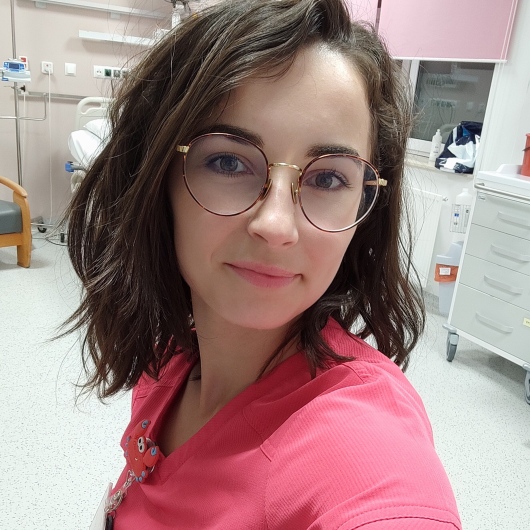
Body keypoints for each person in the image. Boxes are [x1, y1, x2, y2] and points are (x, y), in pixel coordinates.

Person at [64, 0, 462, 528]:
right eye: (228, 161)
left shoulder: (361, 448)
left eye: (328, 178)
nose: (276, 225)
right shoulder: (170, 361)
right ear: (156, 178)